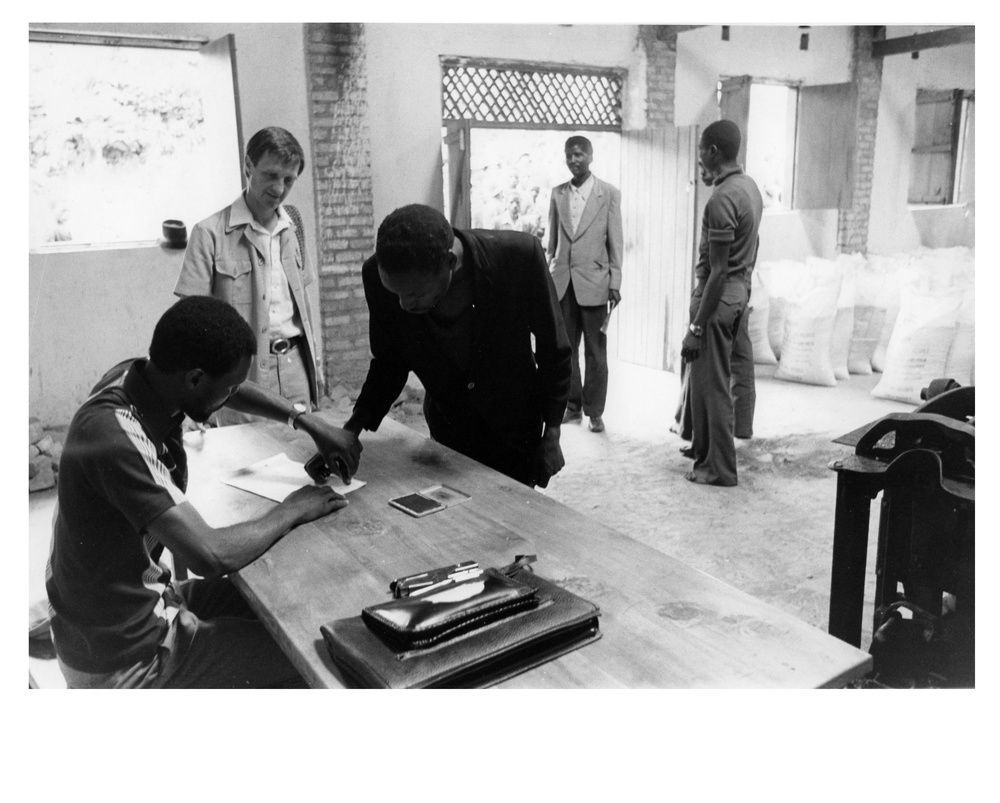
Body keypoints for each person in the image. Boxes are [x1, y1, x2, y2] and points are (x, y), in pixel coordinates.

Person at [45, 296, 361, 688]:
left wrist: (306, 421)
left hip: (136, 607)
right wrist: (292, 509)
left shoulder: (140, 376)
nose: (231, 397)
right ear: (194, 380)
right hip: (122, 662)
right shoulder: (114, 434)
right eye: (226, 389)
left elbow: (230, 386)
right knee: (318, 656)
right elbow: (211, 554)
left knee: (288, 604)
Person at [344, 204, 572, 488]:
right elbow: (389, 364)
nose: (403, 305)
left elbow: (555, 350)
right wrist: (351, 430)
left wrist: (552, 433)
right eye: (396, 294)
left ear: (450, 262)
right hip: (448, 430)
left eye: (414, 295)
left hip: (514, 434)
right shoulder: (378, 276)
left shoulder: (519, 257)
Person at [174, 127, 321, 425]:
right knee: (245, 461)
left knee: (299, 456)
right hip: (240, 377)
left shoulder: (294, 228)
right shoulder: (209, 233)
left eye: (288, 180)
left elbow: (302, 307)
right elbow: (191, 325)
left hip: (296, 368)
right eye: (270, 175)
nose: (279, 189)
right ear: (248, 167)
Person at [679, 119, 763, 486]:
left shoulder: (721, 199)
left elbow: (715, 271)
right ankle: (703, 451)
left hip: (717, 298)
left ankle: (718, 469)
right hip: (738, 290)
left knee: (713, 387)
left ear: (713, 151)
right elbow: (753, 247)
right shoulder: (750, 187)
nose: (698, 157)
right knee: (713, 381)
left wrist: (697, 325)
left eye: (700, 149)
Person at [547, 135, 623, 433]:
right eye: (569, 155)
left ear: (590, 156)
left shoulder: (609, 194)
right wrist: (549, 278)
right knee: (566, 350)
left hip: (595, 283)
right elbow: (551, 243)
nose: (574, 159)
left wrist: (615, 281)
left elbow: (615, 241)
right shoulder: (557, 194)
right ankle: (573, 406)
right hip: (563, 282)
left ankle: (595, 411)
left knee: (595, 351)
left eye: (579, 154)